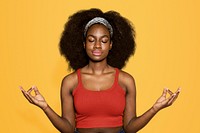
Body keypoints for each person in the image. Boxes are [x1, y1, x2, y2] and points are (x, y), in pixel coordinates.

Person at [20, 8, 181, 133]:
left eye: (104, 41)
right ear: (84, 44)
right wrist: (44, 106)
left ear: (111, 45)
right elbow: (68, 129)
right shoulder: (70, 82)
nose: (97, 45)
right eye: (91, 40)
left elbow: (130, 128)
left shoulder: (126, 81)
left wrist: (156, 108)